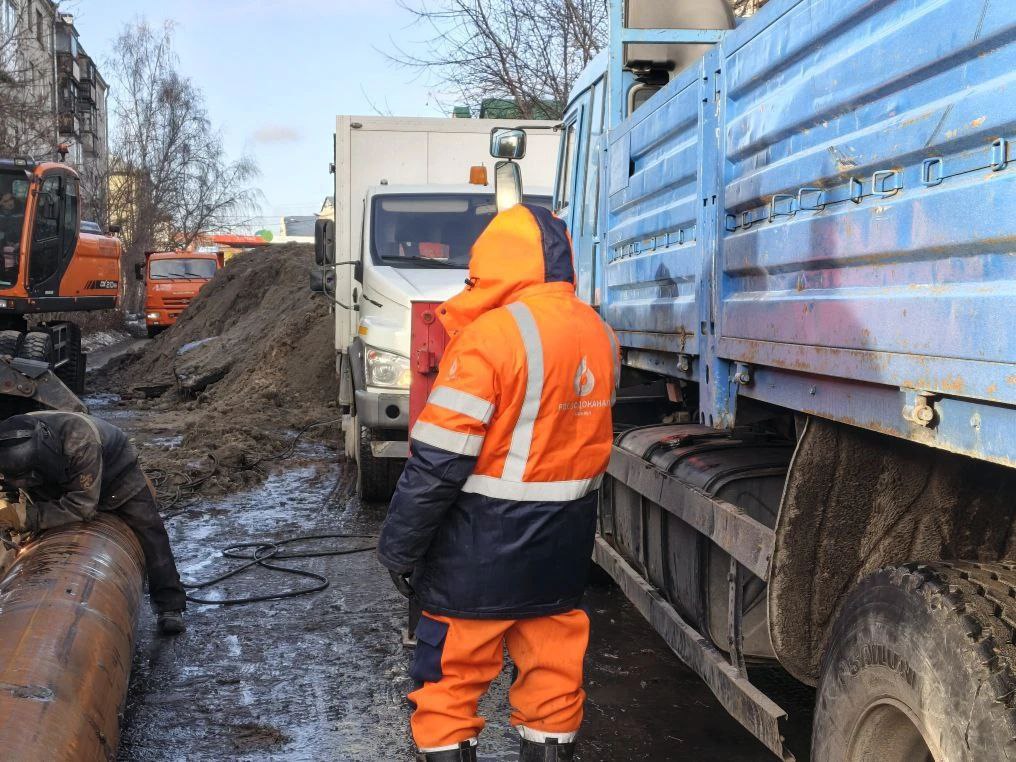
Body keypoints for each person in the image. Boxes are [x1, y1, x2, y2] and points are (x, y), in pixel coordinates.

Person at [378, 204, 619, 761]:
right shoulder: (599, 333)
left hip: (475, 557)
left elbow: (438, 463)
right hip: (560, 552)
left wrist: (400, 548)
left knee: (448, 690)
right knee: (554, 690)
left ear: (492, 263)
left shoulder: (490, 337)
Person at [0, 411, 187, 635]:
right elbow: (10, 490)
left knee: (149, 530)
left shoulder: (81, 442)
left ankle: (170, 605)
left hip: (116, 475)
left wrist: (28, 516)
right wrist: (12, 512)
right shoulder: (9, 446)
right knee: (36, 529)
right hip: (53, 477)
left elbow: (82, 506)